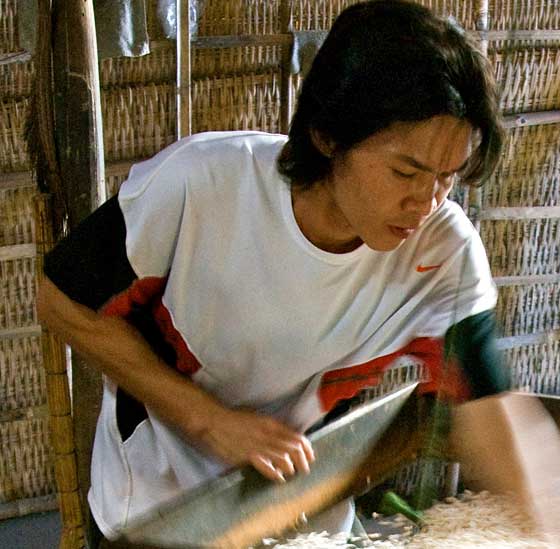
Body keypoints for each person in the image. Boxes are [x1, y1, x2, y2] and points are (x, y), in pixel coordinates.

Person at [36, 0, 509, 540]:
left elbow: (490, 412)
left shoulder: (443, 252)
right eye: (407, 171)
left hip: (302, 521)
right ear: (328, 135)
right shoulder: (202, 187)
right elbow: (60, 301)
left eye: (447, 177)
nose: (427, 203)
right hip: (154, 512)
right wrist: (210, 421)